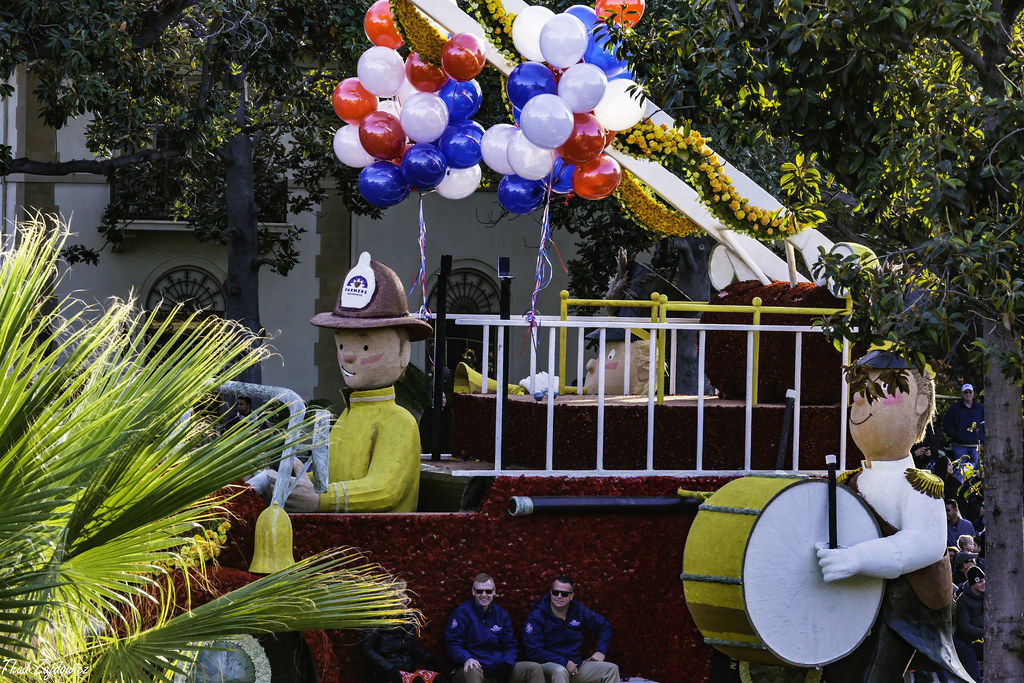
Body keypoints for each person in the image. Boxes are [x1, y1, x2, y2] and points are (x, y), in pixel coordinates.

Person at [816, 350, 974, 682]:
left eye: (879, 390)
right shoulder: (850, 481)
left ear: (918, 403)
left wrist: (859, 557)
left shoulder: (920, 486)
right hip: (855, 603)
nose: (861, 399)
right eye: (860, 390)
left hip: (908, 612)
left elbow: (924, 544)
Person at [264, 252, 432, 512]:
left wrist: (321, 499)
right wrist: (293, 483)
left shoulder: (400, 422)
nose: (347, 355)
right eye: (341, 343)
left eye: (365, 345)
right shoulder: (347, 416)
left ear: (404, 353)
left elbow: (385, 489)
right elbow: (334, 479)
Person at [444, 573, 543, 683]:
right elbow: (452, 644)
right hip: (471, 670)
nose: (484, 595)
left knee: (534, 668)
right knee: (473, 669)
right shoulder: (462, 613)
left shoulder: (501, 614)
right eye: (479, 591)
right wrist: (466, 658)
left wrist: (507, 665)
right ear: (473, 592)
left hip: (498, 670)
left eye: (488, 591)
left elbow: (510, 645)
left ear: (494, 592)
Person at [522, 576, 620, 683]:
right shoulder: (537, 615)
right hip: (548, 666)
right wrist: (564, 662)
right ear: (550, 592)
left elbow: (604, 626)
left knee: (611, 669)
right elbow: (533, 651)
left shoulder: (578, 610)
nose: (559, 596)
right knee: (560, 671)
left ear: (571, 596)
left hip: (576, 665)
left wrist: (601, 651)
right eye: (555, 592)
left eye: (564, 594)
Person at [364, 623, 449, 683]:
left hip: (408, 669)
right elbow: (367, 649)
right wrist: (390, 669)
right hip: (387, 672)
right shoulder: (375, 622)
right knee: (416, 680)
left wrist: (428, 657)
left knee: (436, 678)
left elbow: (413, 648)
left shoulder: (407, 620)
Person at [943, 383, 984, 470]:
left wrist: (982, 436)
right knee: (960, 471)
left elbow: (985, 422)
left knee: (975, 472)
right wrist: (957, 435)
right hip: (959, 446)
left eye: (970, 392)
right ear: (962, 394)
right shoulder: (954, 408)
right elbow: (947, 424)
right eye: (966, 392)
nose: (968, 394)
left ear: (973, 393)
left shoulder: (980, 408)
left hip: (975, 447)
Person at [954, 566, 985, 681]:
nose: (984, 583)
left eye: (984, 580)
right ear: (972, 583)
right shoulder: (963, 600)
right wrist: (984, 633)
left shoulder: (986, 595)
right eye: (980, 581)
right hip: (968, 637)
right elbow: (964, 626)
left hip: (983, 634)